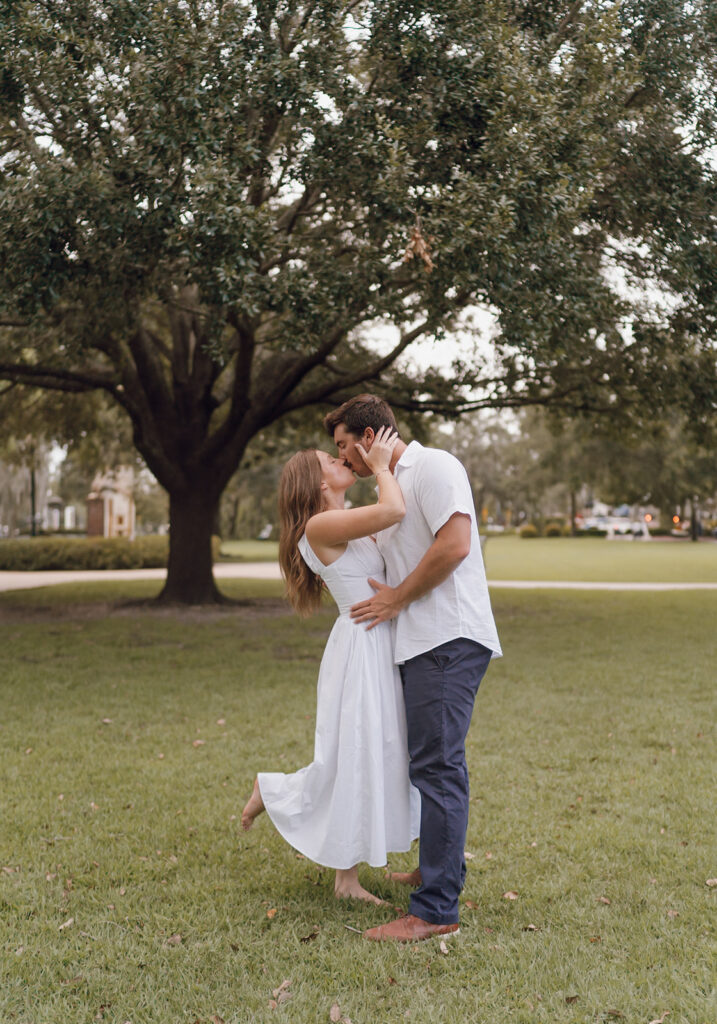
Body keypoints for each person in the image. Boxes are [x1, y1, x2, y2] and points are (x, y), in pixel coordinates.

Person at [324, 394, 502, 942]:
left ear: (369, 436)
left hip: (447, 636)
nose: (342, 457)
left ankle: (433, 912)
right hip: (420, 643)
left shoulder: (435, 466)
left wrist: (398, 598)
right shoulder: (390, 487)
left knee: (438, 766)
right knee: (427, 762)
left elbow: (455, 545)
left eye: (342, 446)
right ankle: (434, 873)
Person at [241, 427, 420, 904]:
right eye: (333, 458)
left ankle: (274, 791)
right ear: (319, 483)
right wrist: (381, 466)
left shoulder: (346, 520)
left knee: (384, 751)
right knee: (358, 753)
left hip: (380, 641)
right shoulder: (319, 528)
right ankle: (343, 878)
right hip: (361, 648)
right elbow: (395, 508)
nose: (346, 459)